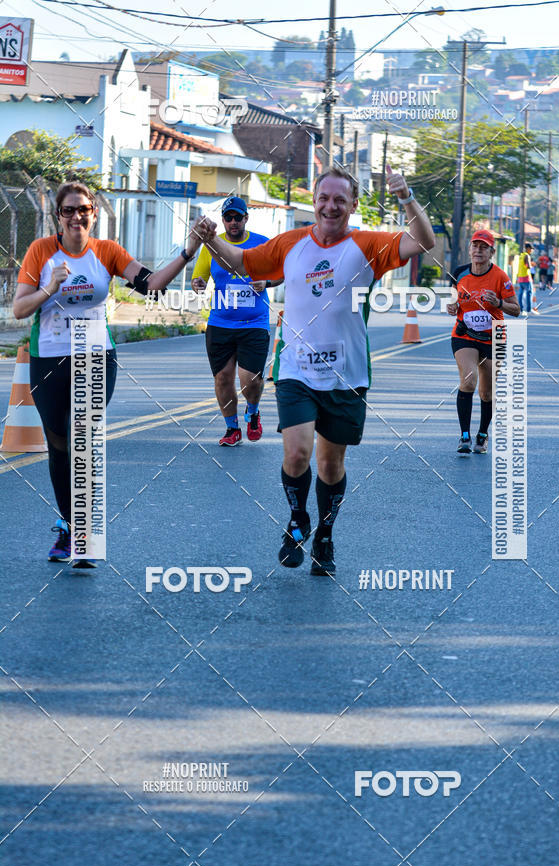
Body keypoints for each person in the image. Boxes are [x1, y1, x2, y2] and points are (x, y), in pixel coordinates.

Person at [194, 165, 435, 575]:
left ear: (353, 205)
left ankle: (324, 534)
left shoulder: (368, 245)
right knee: (297, 452)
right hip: (295, 369)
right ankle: (296, 519)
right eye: (324, 198)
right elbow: (241, 262)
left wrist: (406, 196)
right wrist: (210, 238)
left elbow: (423, 241)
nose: (330, 206)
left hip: (347, 373)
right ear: (314, 202)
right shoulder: (290, 244)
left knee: (330, 465)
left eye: (340, 199)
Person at [14, 181, 204, 565]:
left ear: (94, 213)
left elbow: (151, 285)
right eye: (68, 210)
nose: (76, 216)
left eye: (83, 208)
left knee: (82, 442)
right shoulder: (41, 252)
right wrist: (50, 286)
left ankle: (82, 535)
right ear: (58, 216)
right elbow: (19, 309)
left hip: (96, 356)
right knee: (59, 445)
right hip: (48, 358)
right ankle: (69, 524)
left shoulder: (107, 252)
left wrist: (189, 250)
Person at [190, 196, 280, 446]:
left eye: (237, 217)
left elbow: (280, 274)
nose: (232, 222)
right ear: (223, 221)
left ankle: (252, 411)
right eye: (228, 218)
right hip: (220, 324)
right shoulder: (213, 246)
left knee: (249, 379)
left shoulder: (261, 244)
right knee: (223, 378)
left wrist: (267, 283)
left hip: (254, 324)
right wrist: (197, 284)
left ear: (245, 219)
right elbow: (199, 278)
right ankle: (232, 429)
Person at [447, 229, 520, 455]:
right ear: (469, 249)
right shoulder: (458, 274)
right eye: (475, 246)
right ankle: (465, 436)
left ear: (492, 252)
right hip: (464, 335)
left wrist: (498, 302)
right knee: (468, 381)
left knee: (486, 393)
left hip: (494, 338)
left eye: (483, 247)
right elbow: (453, 302)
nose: (478, 250)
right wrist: (451, 307)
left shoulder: (500, 277)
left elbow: (516, 309)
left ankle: (482, 434)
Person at [516, 242, 534, 313]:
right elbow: (528, 266)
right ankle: (529, 309)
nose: (532, 250)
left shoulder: (521, 255)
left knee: (520, 294)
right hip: (526, 277)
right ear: (528, 248)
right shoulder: (527, 256)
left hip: (520, 277)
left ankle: (521, 309)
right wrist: (532, 265)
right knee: (529, 293)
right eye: (531, 249)